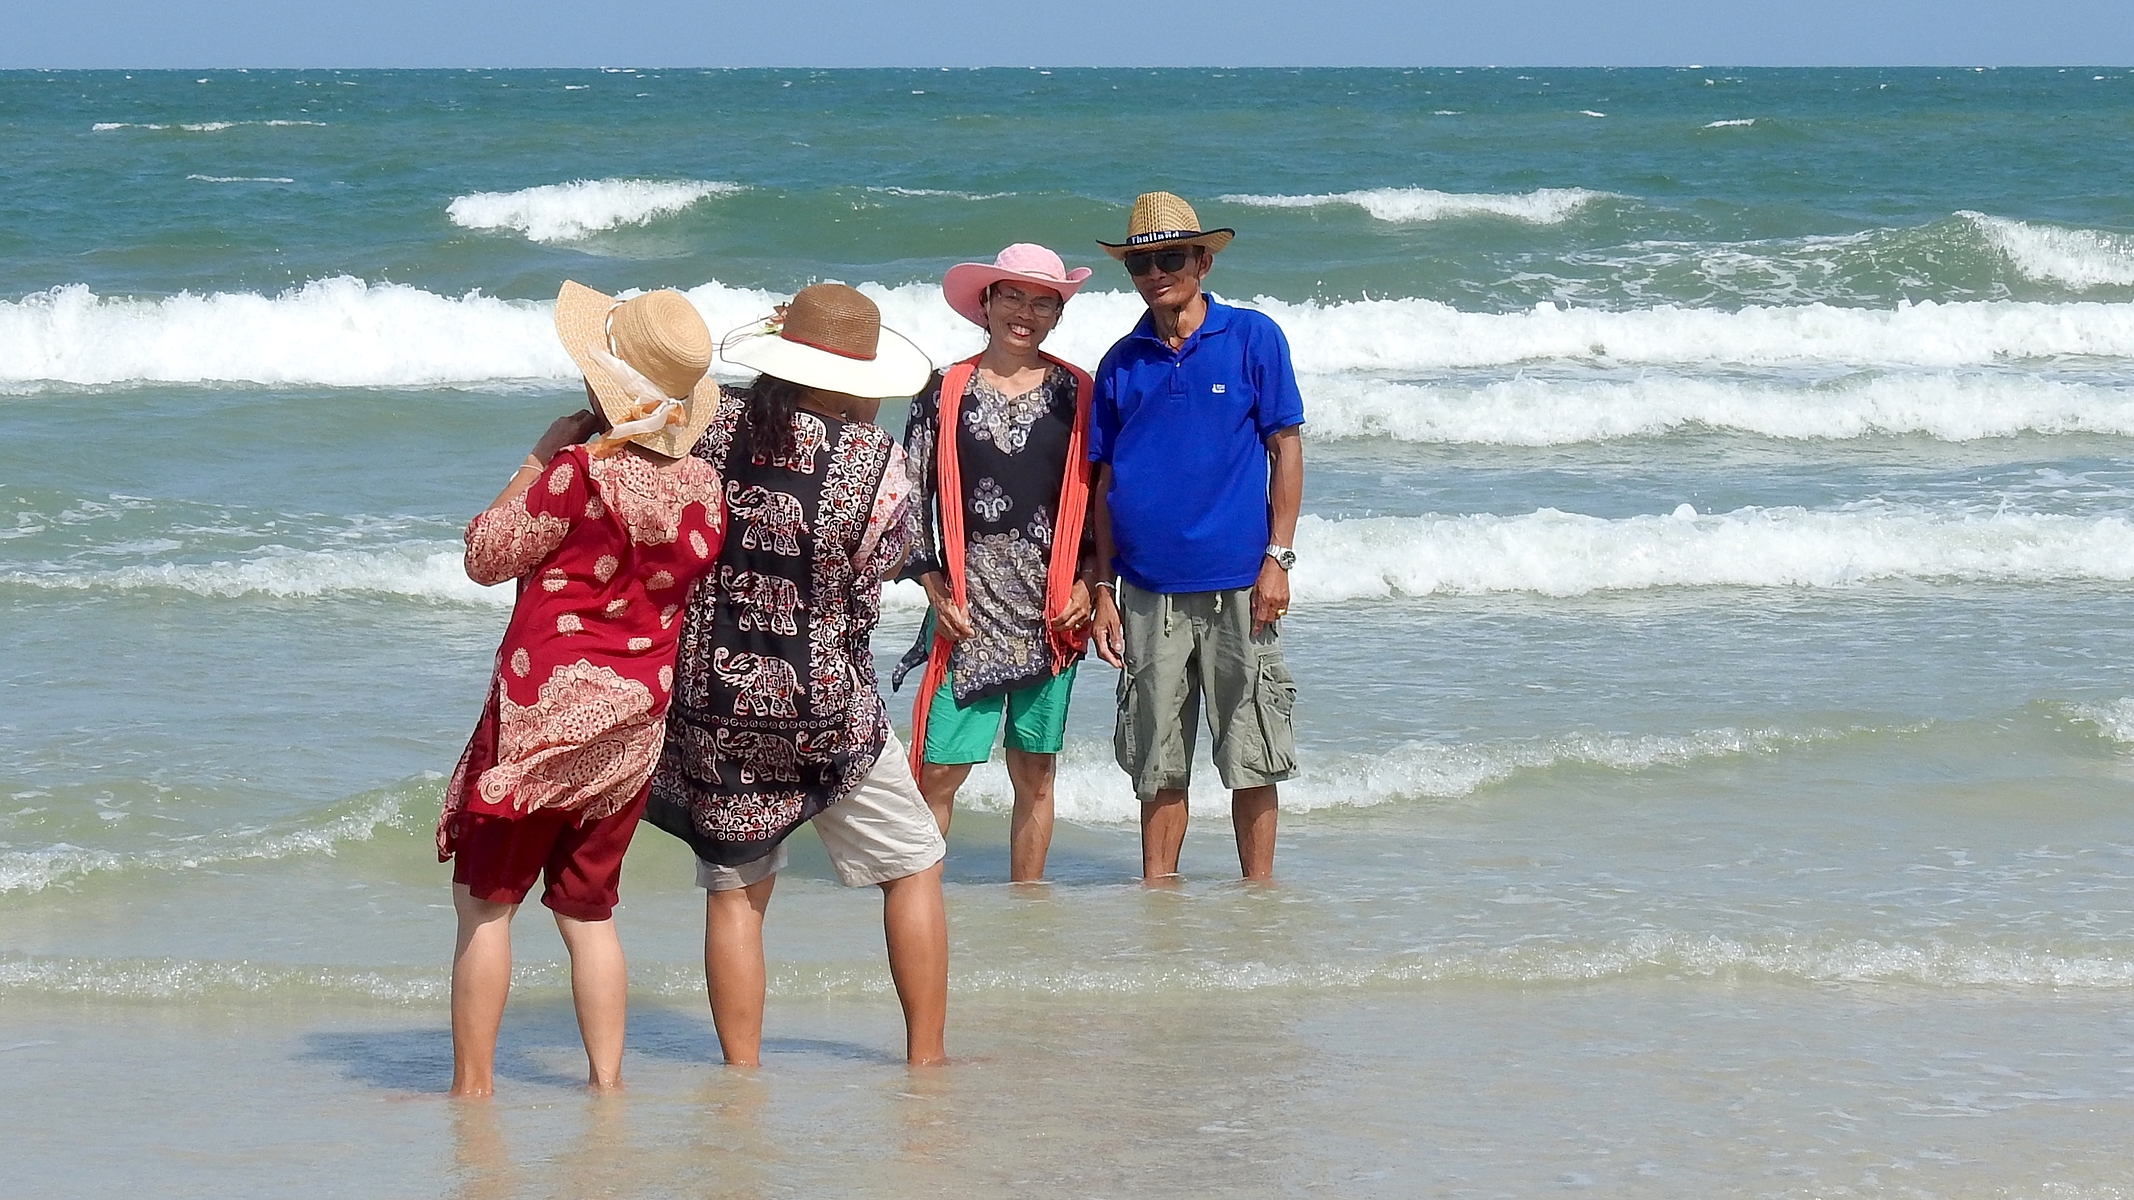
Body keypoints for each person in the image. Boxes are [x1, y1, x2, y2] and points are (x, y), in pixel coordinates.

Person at [646, 283, 950, 1067]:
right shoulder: (876, 463)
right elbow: (881, 567)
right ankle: (925, 1059)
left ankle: (740, 1074)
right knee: (913, 862)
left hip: (710, 703)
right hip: (826, 706)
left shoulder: (705, 426)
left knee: (735, 895)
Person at [438, 283, 727, 1097]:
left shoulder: (577, 474)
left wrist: (536, 459)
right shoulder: (705, 488)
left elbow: (486, 554)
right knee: (588, 912)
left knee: (486, 907)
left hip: (541, 722)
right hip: (634, 721)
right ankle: (606, 1085)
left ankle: (472, 1089)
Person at [1085, 192, 1305, 883]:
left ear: (1202, 262)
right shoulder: (1120, 362)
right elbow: (1101, 482)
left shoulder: (1253, 338)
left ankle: (1259, 899)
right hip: (1147, 591)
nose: (1156, 273)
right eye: (1141, 263)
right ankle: (1158, 901)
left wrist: (1278, 558)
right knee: (1156, 764)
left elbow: (1286, 449)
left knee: (1253, 754)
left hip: (1241, 582)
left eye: (1171, 258)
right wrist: (1102, 589)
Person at [892, 243, 1098, 883]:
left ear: (1057, 315)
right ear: (985, 303)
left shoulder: (1079, 394)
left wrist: (1092, 584)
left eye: (1043, 303)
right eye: (1012, 296)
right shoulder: (942, 391)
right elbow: (908, 497)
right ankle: (918, 904)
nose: (1025, 313)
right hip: (967, 615)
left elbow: (1099, 500)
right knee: (938, 771)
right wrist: (934, 589)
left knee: (1035, 770)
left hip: (1050, 615)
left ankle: (1026, 907)